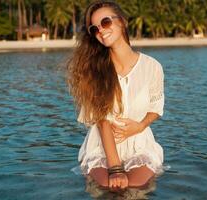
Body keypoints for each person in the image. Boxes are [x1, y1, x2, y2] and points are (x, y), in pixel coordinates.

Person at [67, 0, 165, 191]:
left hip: (139, 142)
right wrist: (115, 168)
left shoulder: (152, 66)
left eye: (105, 22)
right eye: (94, 28)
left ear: (122, 22)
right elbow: (102, 120)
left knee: (137, 185)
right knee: (108, 186)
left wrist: (140, 126)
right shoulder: (94, 70)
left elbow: (156, 107)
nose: (101, 30)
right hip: (103, 145)